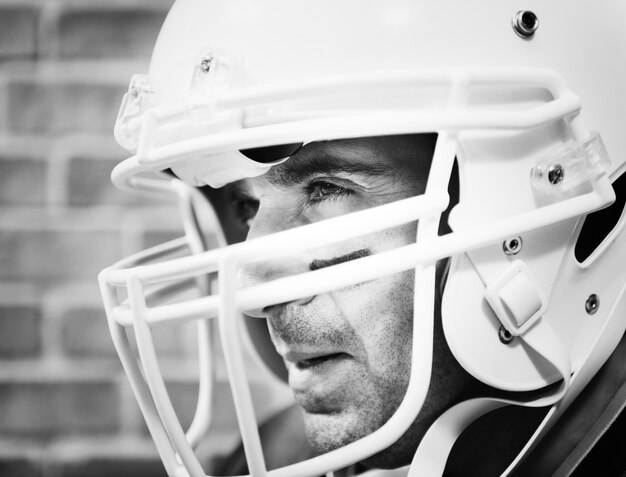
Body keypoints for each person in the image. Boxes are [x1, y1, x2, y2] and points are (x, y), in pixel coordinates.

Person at [98, 0, 626, 476]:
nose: (251, 283)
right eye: (245, 205)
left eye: (325, 189)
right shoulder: (278, 455)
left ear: (535, 198)